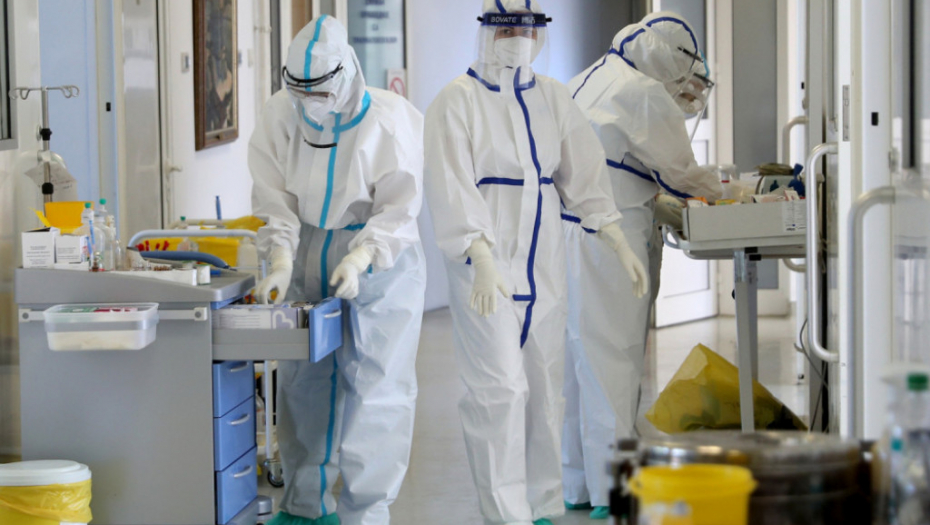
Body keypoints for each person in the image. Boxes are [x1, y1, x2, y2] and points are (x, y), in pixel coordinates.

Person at [423, 2, 648, 524]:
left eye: (527, 28)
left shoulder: (552, 97)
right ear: (486, 32)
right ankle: (506, 514)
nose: (517, 38)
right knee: (498, 391)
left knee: (546, 385)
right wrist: (479, 253)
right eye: (506, 28)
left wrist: (615, 235)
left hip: (543, 259)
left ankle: (542, 503)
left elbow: (582, 172)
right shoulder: (457, 100)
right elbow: (450, 184)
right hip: (485, 267)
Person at [249, 15, 427, 525]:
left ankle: (367, 511)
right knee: (303, 379)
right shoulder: (280, 113)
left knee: (378, 385)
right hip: (307, 245)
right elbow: (274, 196)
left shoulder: (388, 120)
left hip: (380, 259)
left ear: (346, 74)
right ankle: (304, 505)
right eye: (300, 92)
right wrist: (281, 258)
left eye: (320, 93)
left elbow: (399, 209)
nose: (310, 104)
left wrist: (361, 257)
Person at [561, 12, 723, 519]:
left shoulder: (588, 77)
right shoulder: (643, 93)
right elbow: (681, 175)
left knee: (577, 360)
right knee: (615, 356)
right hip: (613, 238)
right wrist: (732, 190)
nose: (687, 89)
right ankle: (615, 490)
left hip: (566, 232)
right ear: (668, 60)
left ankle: (578, 482)